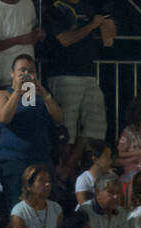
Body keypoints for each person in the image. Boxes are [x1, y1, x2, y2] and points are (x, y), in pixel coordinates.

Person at [43, 0, 115, 156]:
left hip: (89, 74)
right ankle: (61, 169)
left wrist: (107, 27)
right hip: (65, 74)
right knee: (66, 129)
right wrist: (91, 26)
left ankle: (72, 166)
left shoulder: (88, 8)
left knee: (97, 124)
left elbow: (108, 42)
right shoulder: (55, 10)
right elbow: (65, 40)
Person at [0, 54, 62, 212]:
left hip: (41, 160)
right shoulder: (3, 94)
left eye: (30, 71)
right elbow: (3, 117)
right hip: (14, 161)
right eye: (21, 71)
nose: (26, 75)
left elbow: (58, 118)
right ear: (12, 73)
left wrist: (44, 94)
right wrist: (17, 92)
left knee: (45, 206)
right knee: (17, 206)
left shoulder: (41, 98)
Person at [0, 0, 42, 89]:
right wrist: (20, 40)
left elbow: (32, 30)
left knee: (29, 102)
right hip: (6, 81)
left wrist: (38, 34)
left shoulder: (28, 3)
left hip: (29, 81)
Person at [8, 164, 63, 228]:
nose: (47, 184)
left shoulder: (56, 208)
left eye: (49, 181)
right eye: (41, 180)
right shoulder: (19, 212)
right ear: (28, 186)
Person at [73, 139, 111, 205]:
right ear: (95, 159)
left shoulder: (111, 177)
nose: (110, 160)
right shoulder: (83, 179)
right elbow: (84, 206)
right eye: (107, 157)